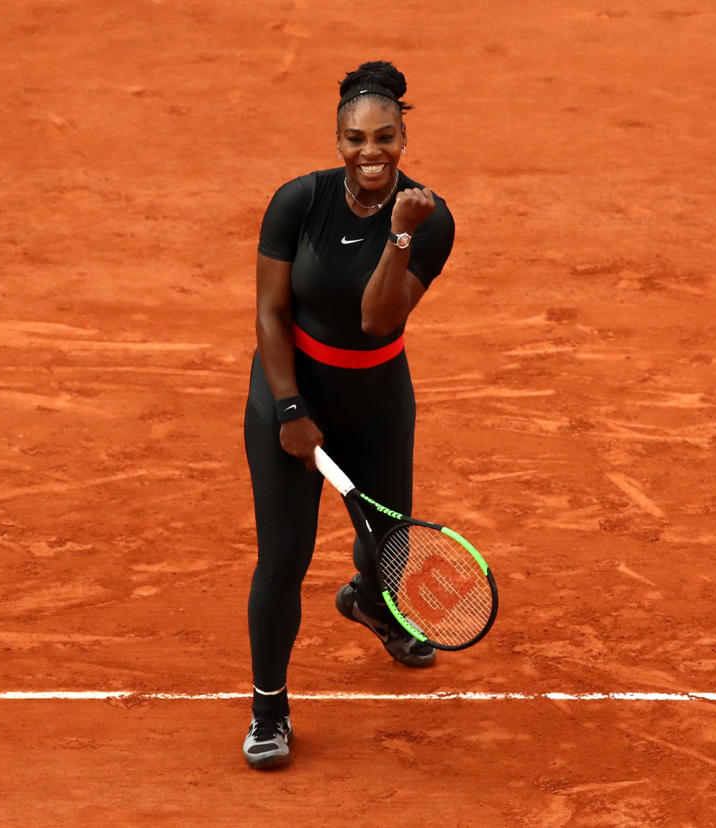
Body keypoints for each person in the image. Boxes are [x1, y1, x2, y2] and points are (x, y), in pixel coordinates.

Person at [241, 60, 455, 769]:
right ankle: (269, 709)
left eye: (386, 136)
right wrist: (291, 408)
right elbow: (271, 315)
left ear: (403, 137)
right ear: (338, 142)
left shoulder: (429, 217)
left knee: (388, 546)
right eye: (357, 138)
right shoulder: (297, 202)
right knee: (284, 559)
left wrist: (398, 235)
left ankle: (370, 600)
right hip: (289, 390)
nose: (372, 151)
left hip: (377, 398)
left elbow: (375, 321)